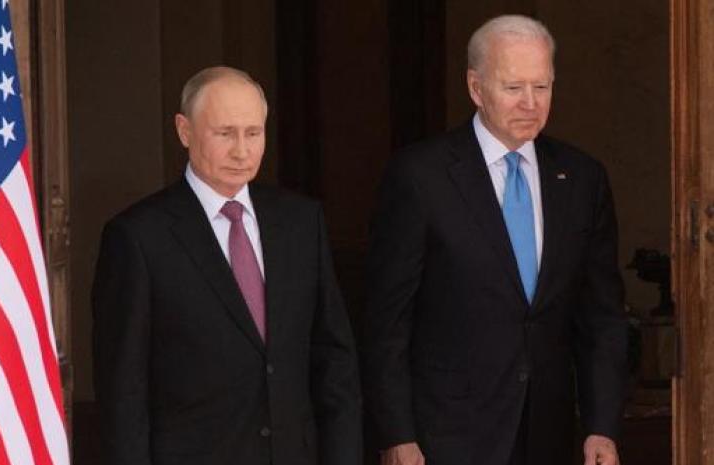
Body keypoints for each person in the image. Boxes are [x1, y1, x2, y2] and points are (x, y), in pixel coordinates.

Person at [362, 15, 628, 465]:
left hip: (548, 434)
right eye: (513, 87)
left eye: (541, 87)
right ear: (475, 87)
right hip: (446, 435)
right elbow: (387, 320)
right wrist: (396, 434)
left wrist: (602, 426)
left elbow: (601, 316)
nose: (530, 103)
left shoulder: (582, 178)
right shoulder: (420, 177)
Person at [92, 66, 363, 465]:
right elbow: (123, 393)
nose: (242, 150)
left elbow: (334, 361)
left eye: (253, 133)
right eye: (225, 133)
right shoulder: (137, 237)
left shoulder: (301, 222)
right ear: (184, 131)